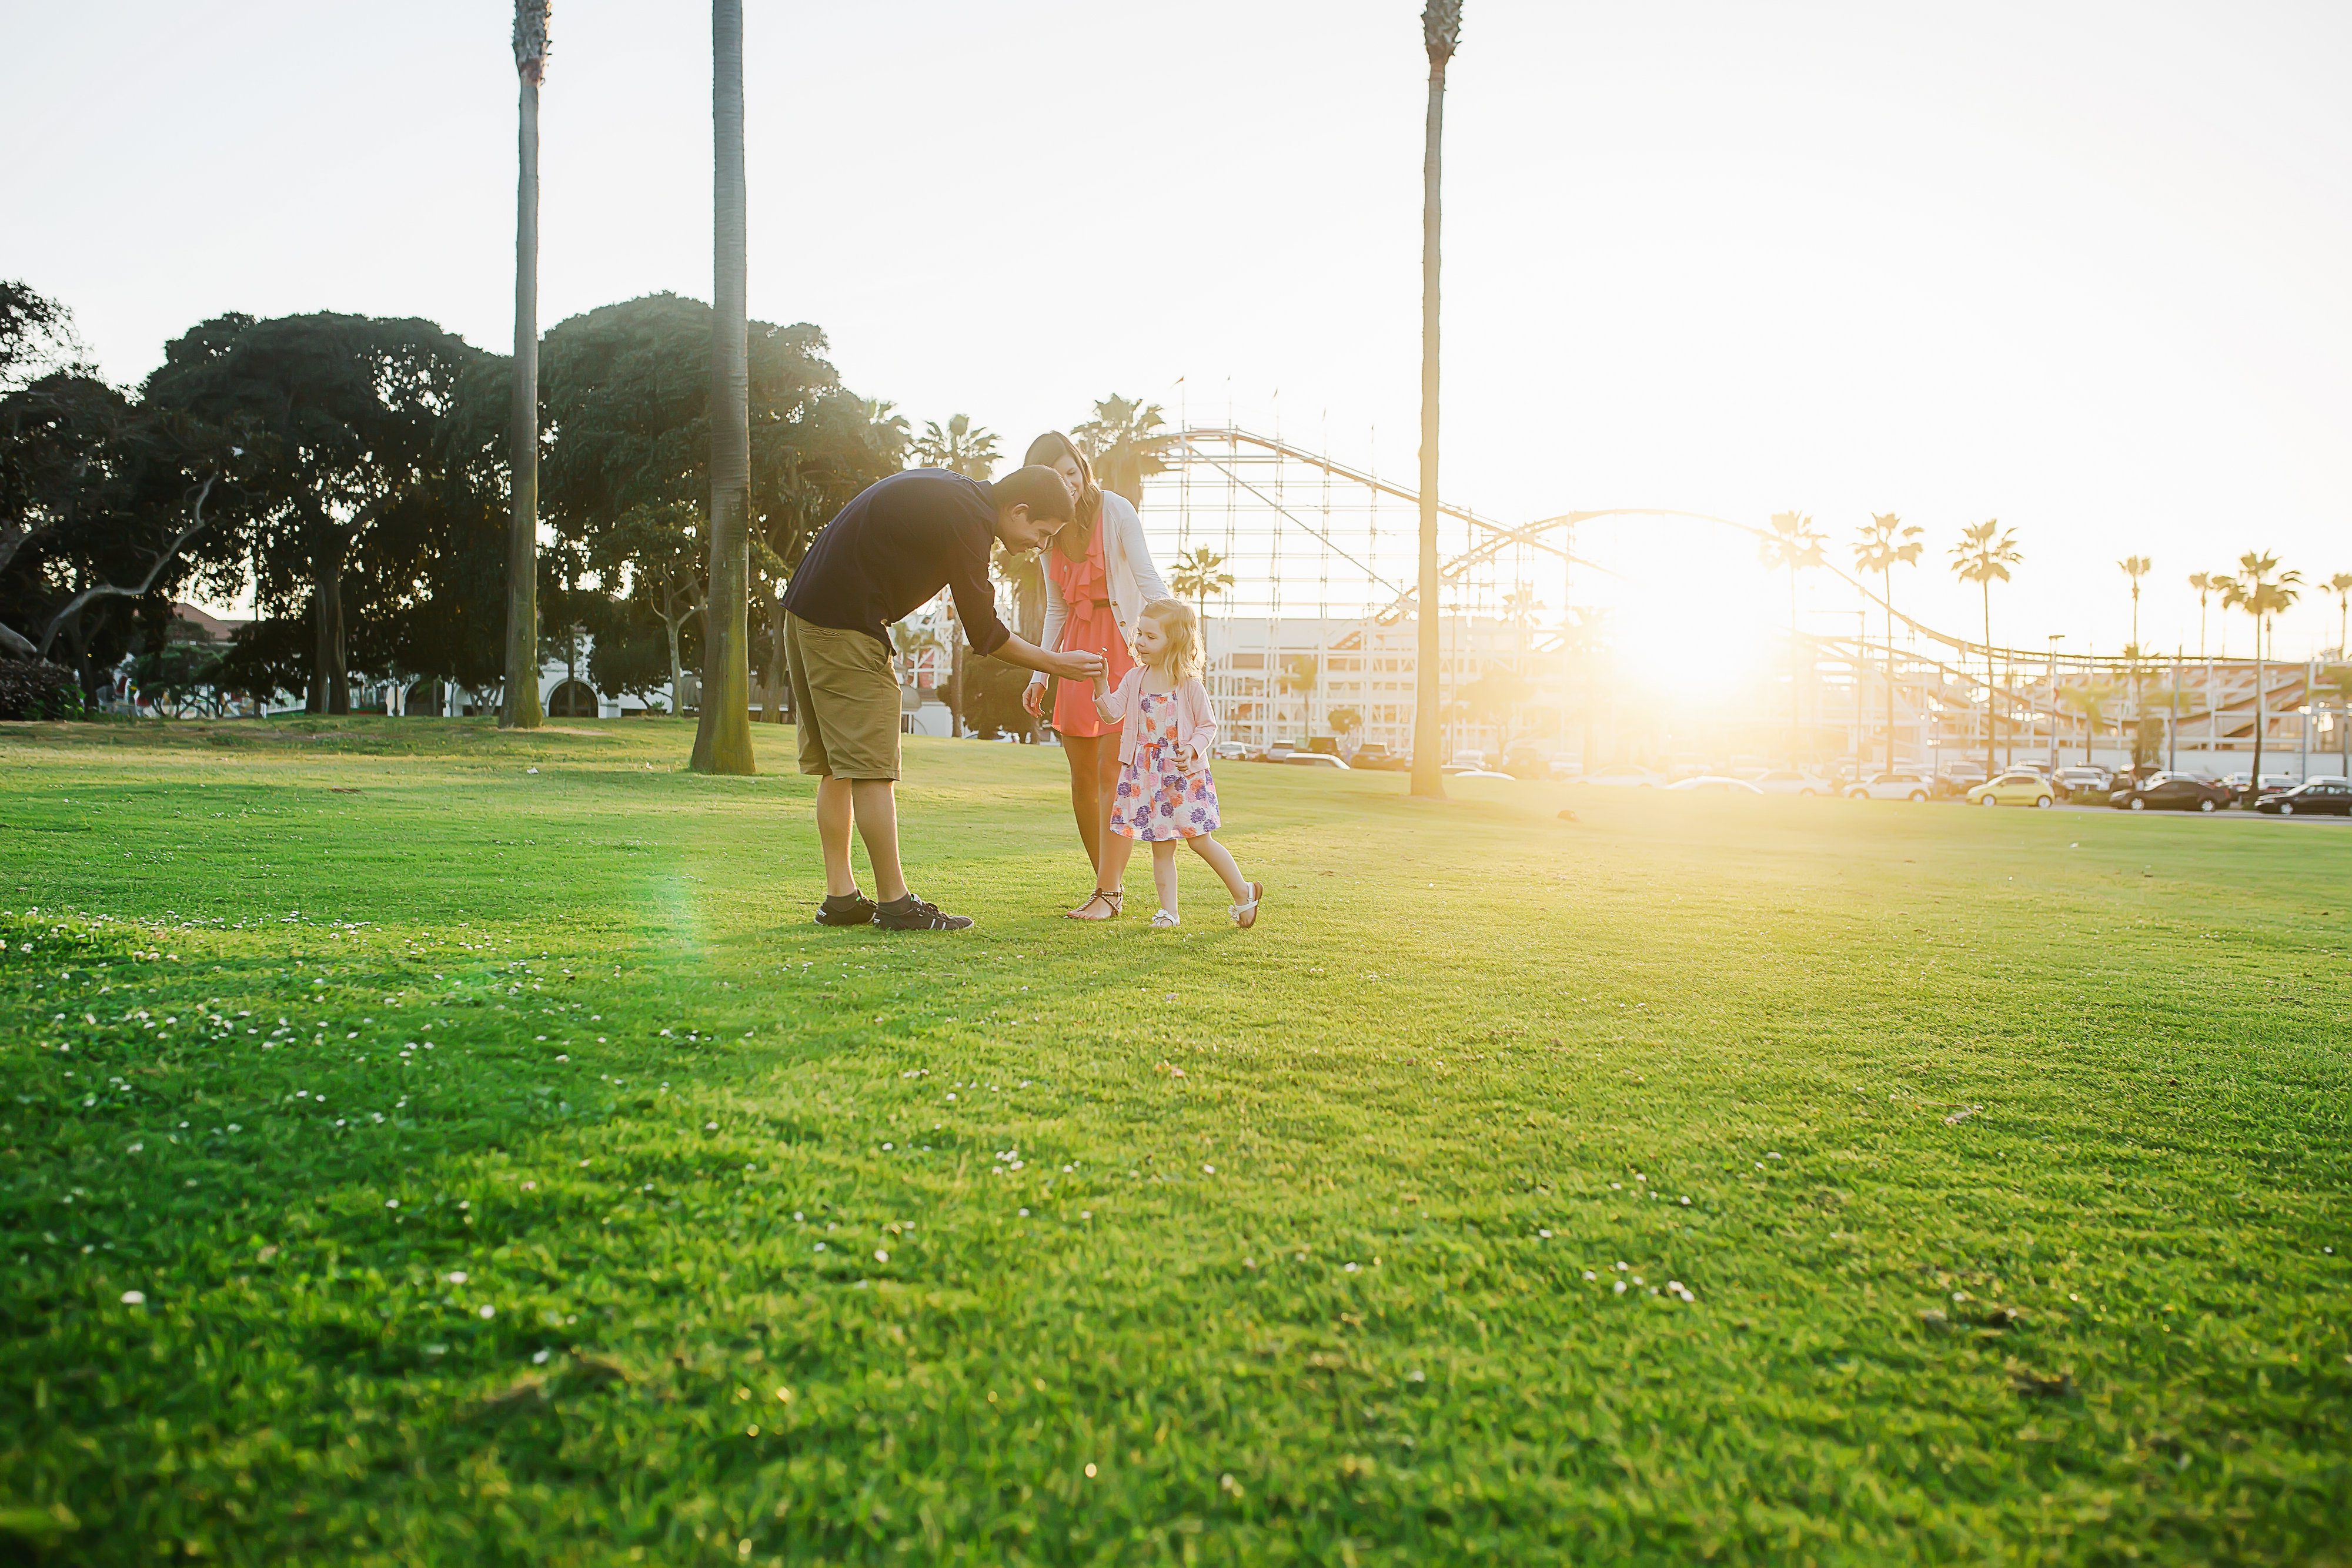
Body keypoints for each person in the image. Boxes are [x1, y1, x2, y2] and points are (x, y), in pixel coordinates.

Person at [779, 464, 1105, 931]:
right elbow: (985, 631)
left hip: (808, 613)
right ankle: (896, 905)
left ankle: (842, 897)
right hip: (844, 624)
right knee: (870, 767)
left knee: (839, 765)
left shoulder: (959, 495)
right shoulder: (970, 519)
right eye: (1041, 532)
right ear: (1018, 511)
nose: (1041, 546)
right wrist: (1059, 664)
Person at [1017, 431, 1173, 919]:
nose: (1070, 484)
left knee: (1113, 772)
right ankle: (1108, 886)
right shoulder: (1049, 532)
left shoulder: (1117, 511)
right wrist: (1040, 675)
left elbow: (1147, 579)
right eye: (1057, 478)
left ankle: (1108, 892)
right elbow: (1057, 610)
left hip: (1123, 649)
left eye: (1074, 472)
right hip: (1075, 655)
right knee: (1081, 779)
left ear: (1083, 470)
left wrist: (1178, 635)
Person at [1076, 599, 1263, 929]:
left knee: (1200, 841)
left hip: (1182, 776)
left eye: (1151, 637)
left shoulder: (1189, 685)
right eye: (1140, 634)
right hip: (1145, 775)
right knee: (1160, 847)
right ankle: (1169, 913)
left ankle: (1244, 892)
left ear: (1174, 641)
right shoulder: (1134, 678)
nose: (1140, 642)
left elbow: (1208, 726)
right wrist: (1100, 683)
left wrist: (1192, 749)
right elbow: (1110, 713)